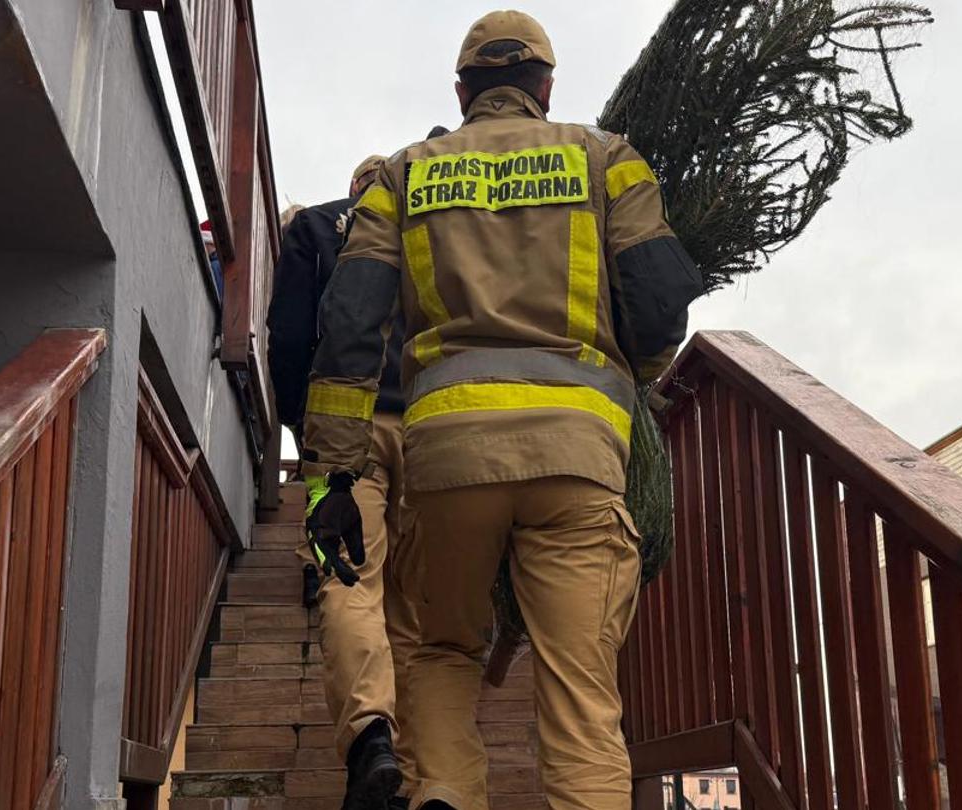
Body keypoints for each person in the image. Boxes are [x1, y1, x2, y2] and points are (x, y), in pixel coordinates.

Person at [297, 10, 701, 810]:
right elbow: (657, 309)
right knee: (581, 695)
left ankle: (443, 791)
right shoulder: (605, 159)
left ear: (462, 88)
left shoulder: (404, 175)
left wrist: (335, 479)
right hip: (578, 460)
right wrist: (626, 389)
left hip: (448, 461)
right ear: (545, 87)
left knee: (442, 649)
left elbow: (348, 327)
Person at [267, 156, 421, 810]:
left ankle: (370, 737)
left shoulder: (316, 228)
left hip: (345, 422)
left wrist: (299, 420)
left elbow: (291, 334)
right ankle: (426, 768)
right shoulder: (431, 228)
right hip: (431, 421)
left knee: (348, 574)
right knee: (415, 603)